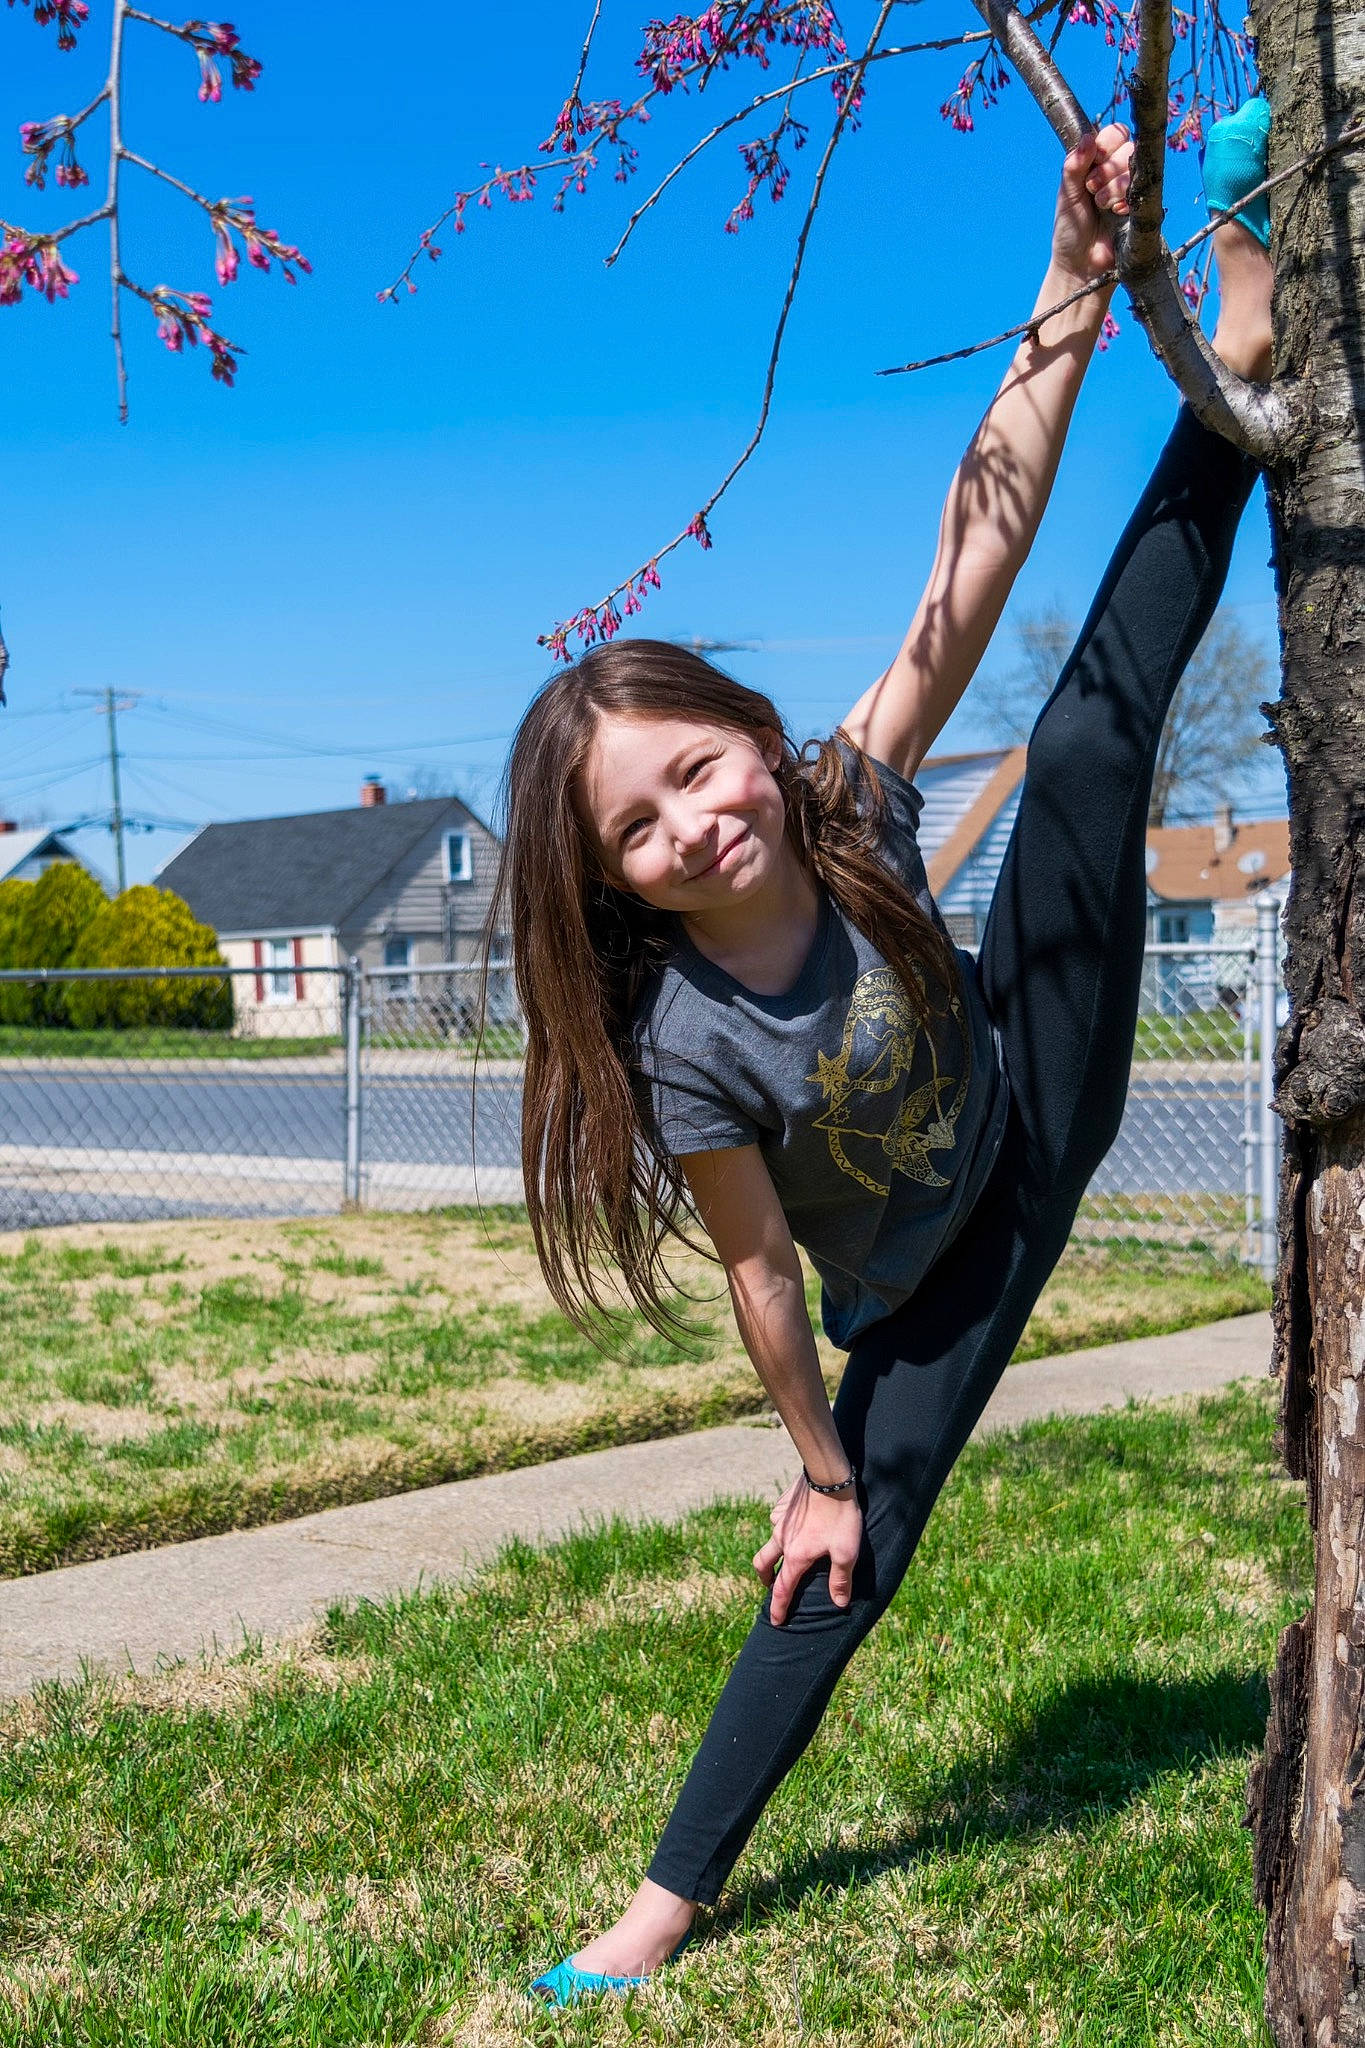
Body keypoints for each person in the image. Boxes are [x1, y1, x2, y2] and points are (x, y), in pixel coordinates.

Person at [493, 105, 1275, 2006]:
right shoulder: (682, 1053)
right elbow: (764, 1274)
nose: (689, 822)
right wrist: (819, 1461)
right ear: (608, 882)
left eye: (694, 768)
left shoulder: (843, 800)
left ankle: (1239, 352)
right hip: (931, 1285)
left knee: (1088, 738)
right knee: (837, 1560)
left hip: (1037, 1065)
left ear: (749, 741)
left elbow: (976, 539)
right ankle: (669, 1897)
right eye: (638, 828)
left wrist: (1075, 272)